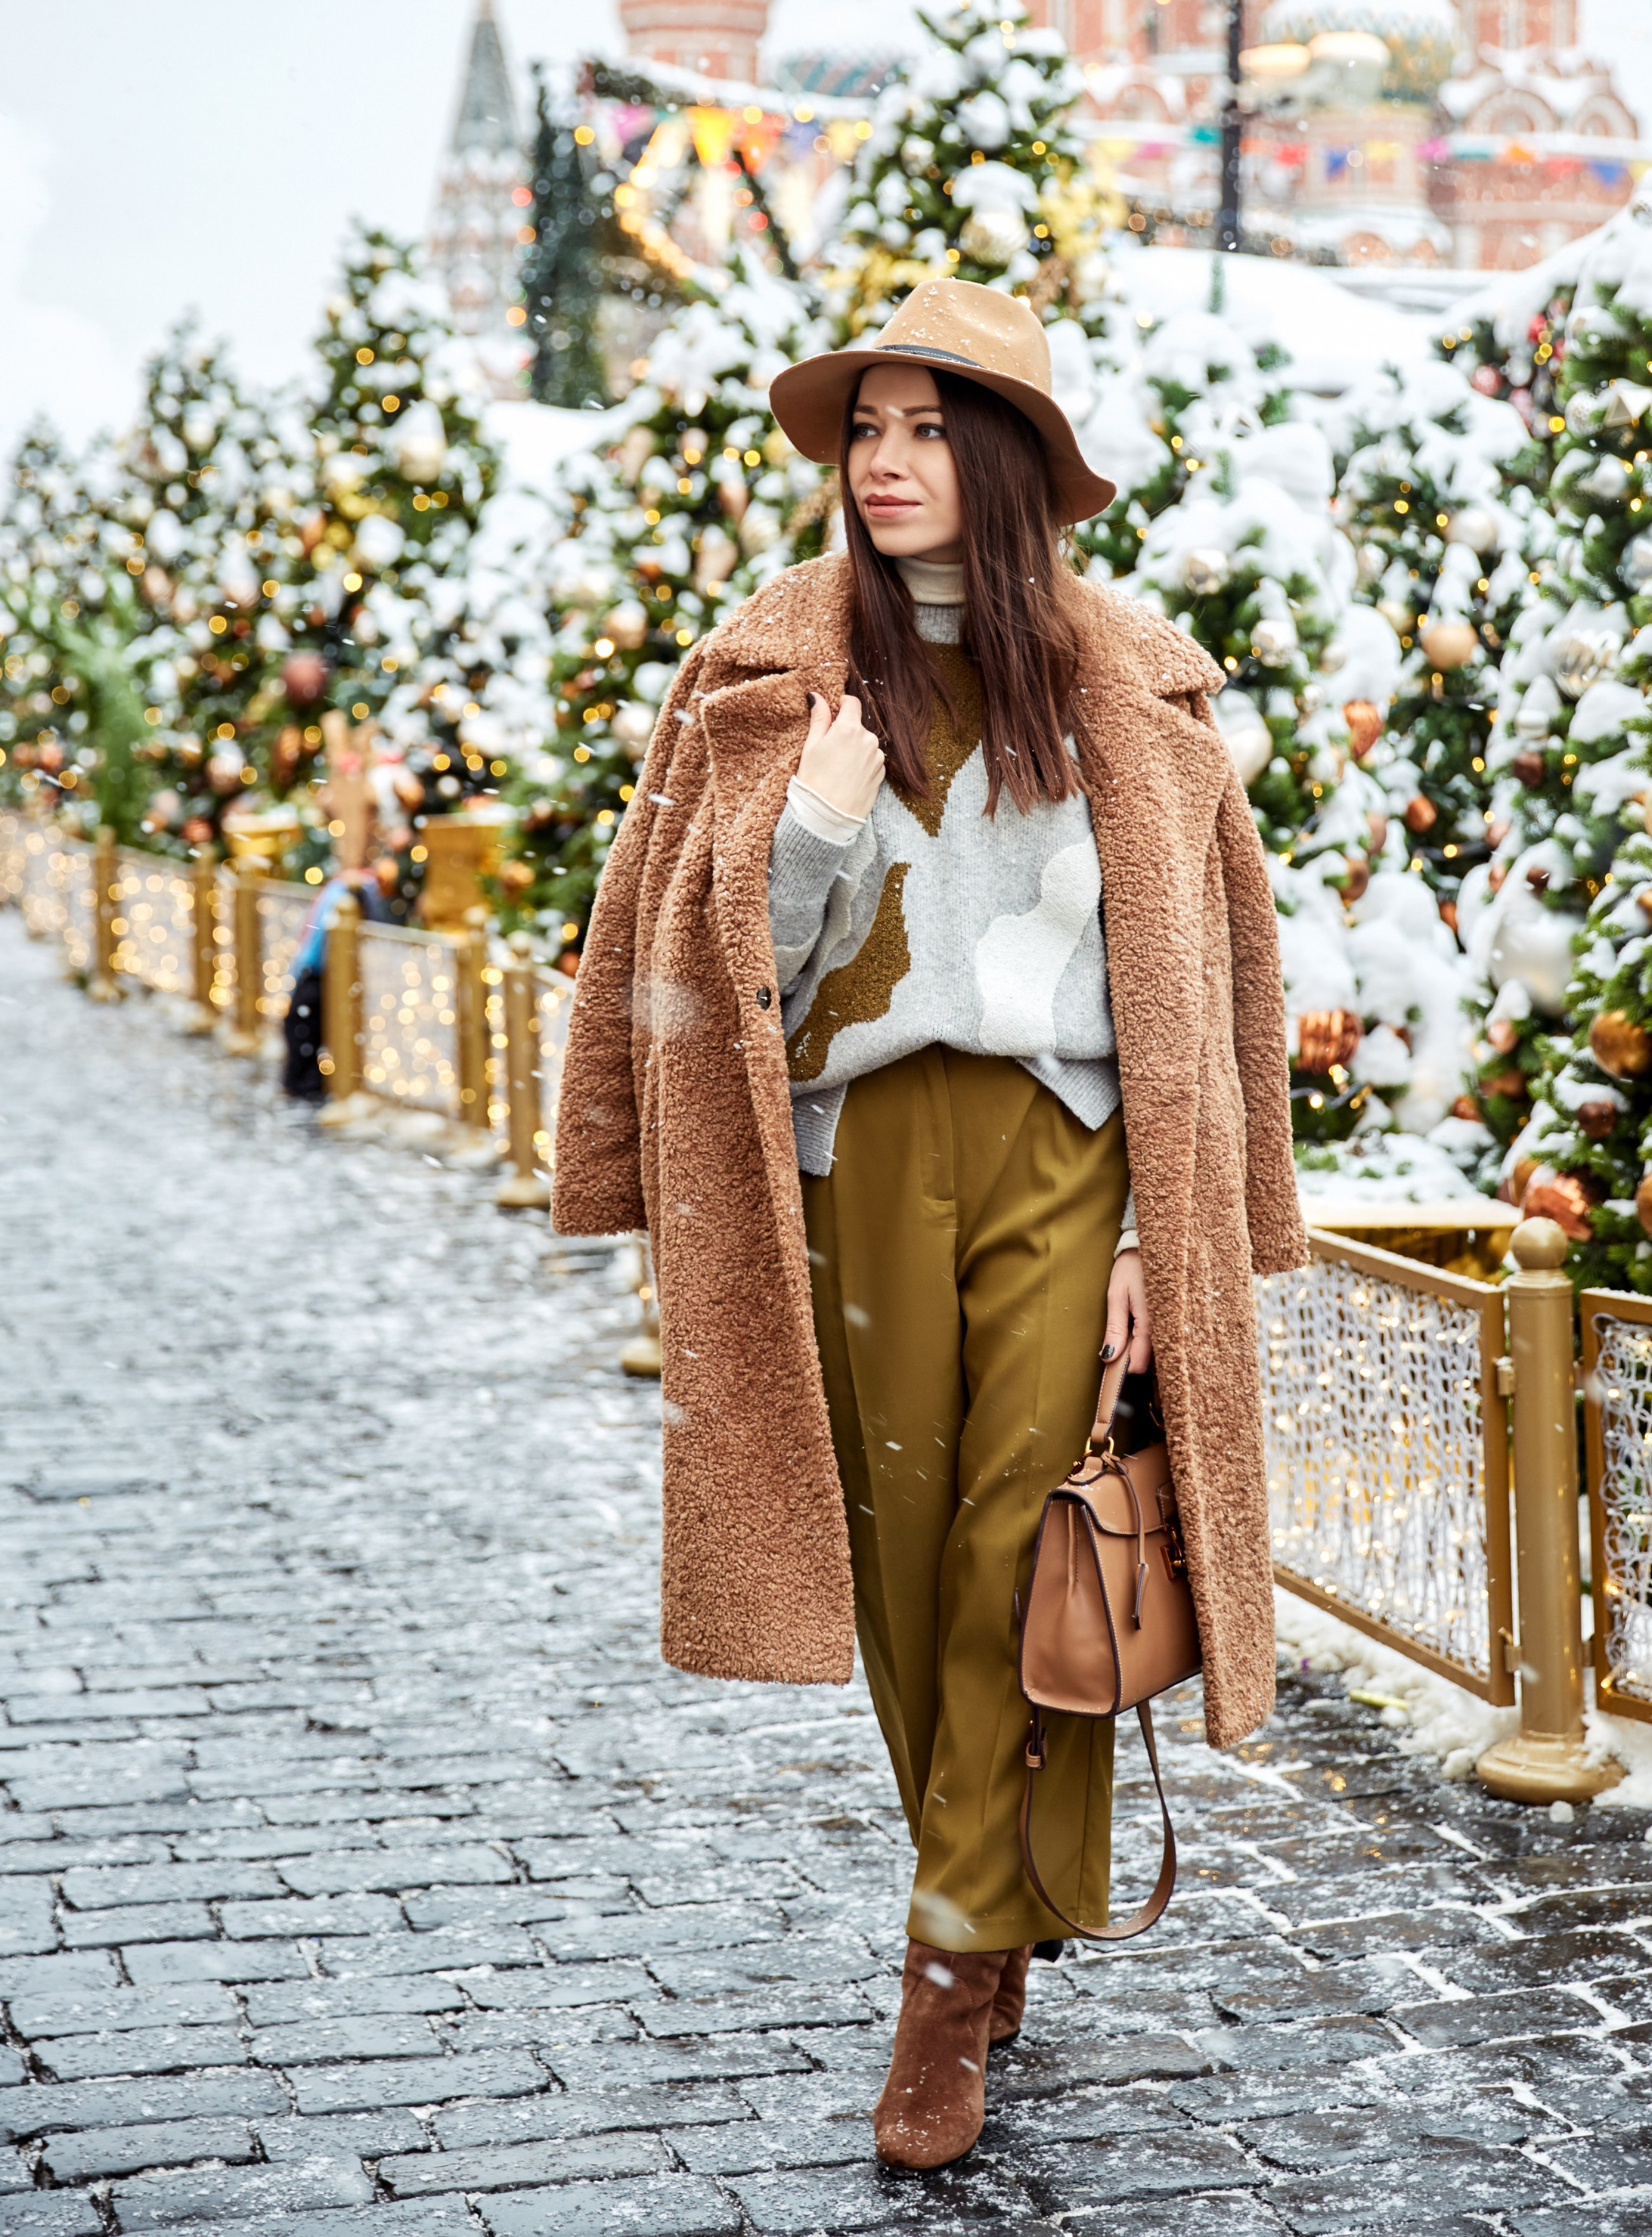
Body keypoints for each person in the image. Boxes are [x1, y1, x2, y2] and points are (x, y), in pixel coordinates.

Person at [553, 278, 1304, 2170]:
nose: (881, 466)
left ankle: (947, 1972)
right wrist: (807, 821)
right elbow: (699, 962)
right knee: (899, 1580)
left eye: (918, 431)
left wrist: (1157, 1225)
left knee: (1006, 1550)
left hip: (1064, 1152)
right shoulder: (765, 674)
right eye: (860, 433)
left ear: (1005, 463)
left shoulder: (1135, 686)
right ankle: (999, 1880)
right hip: (848, 1157)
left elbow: (1204, 986)